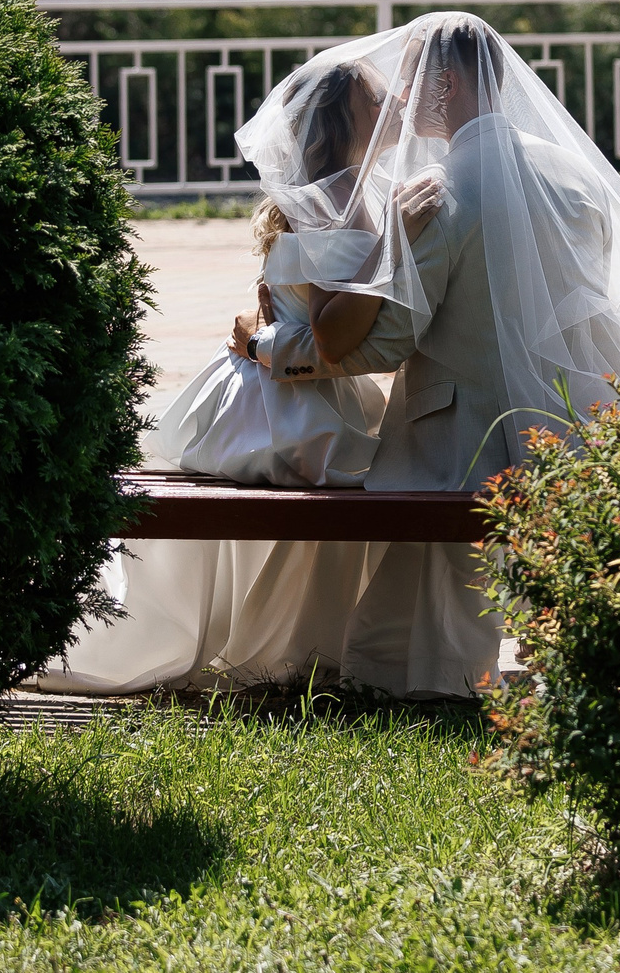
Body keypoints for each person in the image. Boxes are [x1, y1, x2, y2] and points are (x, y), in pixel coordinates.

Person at [232, 13, 620, 697]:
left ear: (446, 84)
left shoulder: (441, 193)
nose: (400, 98)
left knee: (396, 644)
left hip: (464, 442)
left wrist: (268, 347)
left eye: (413, 80)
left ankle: (431, 687)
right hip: (580, 426)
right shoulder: (574, 173)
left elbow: (380, 347)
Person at [29, 60, 415, 695]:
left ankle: (278, 642)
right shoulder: (336, 204)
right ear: (342, 124)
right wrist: (394, 250)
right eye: (374, 104)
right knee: (363, 479)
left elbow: (278, 305)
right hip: (285, 405)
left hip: (259, 387)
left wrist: (256, 333)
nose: (393, 109)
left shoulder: (325, 196)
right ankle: (292, 652)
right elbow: (328, 333)